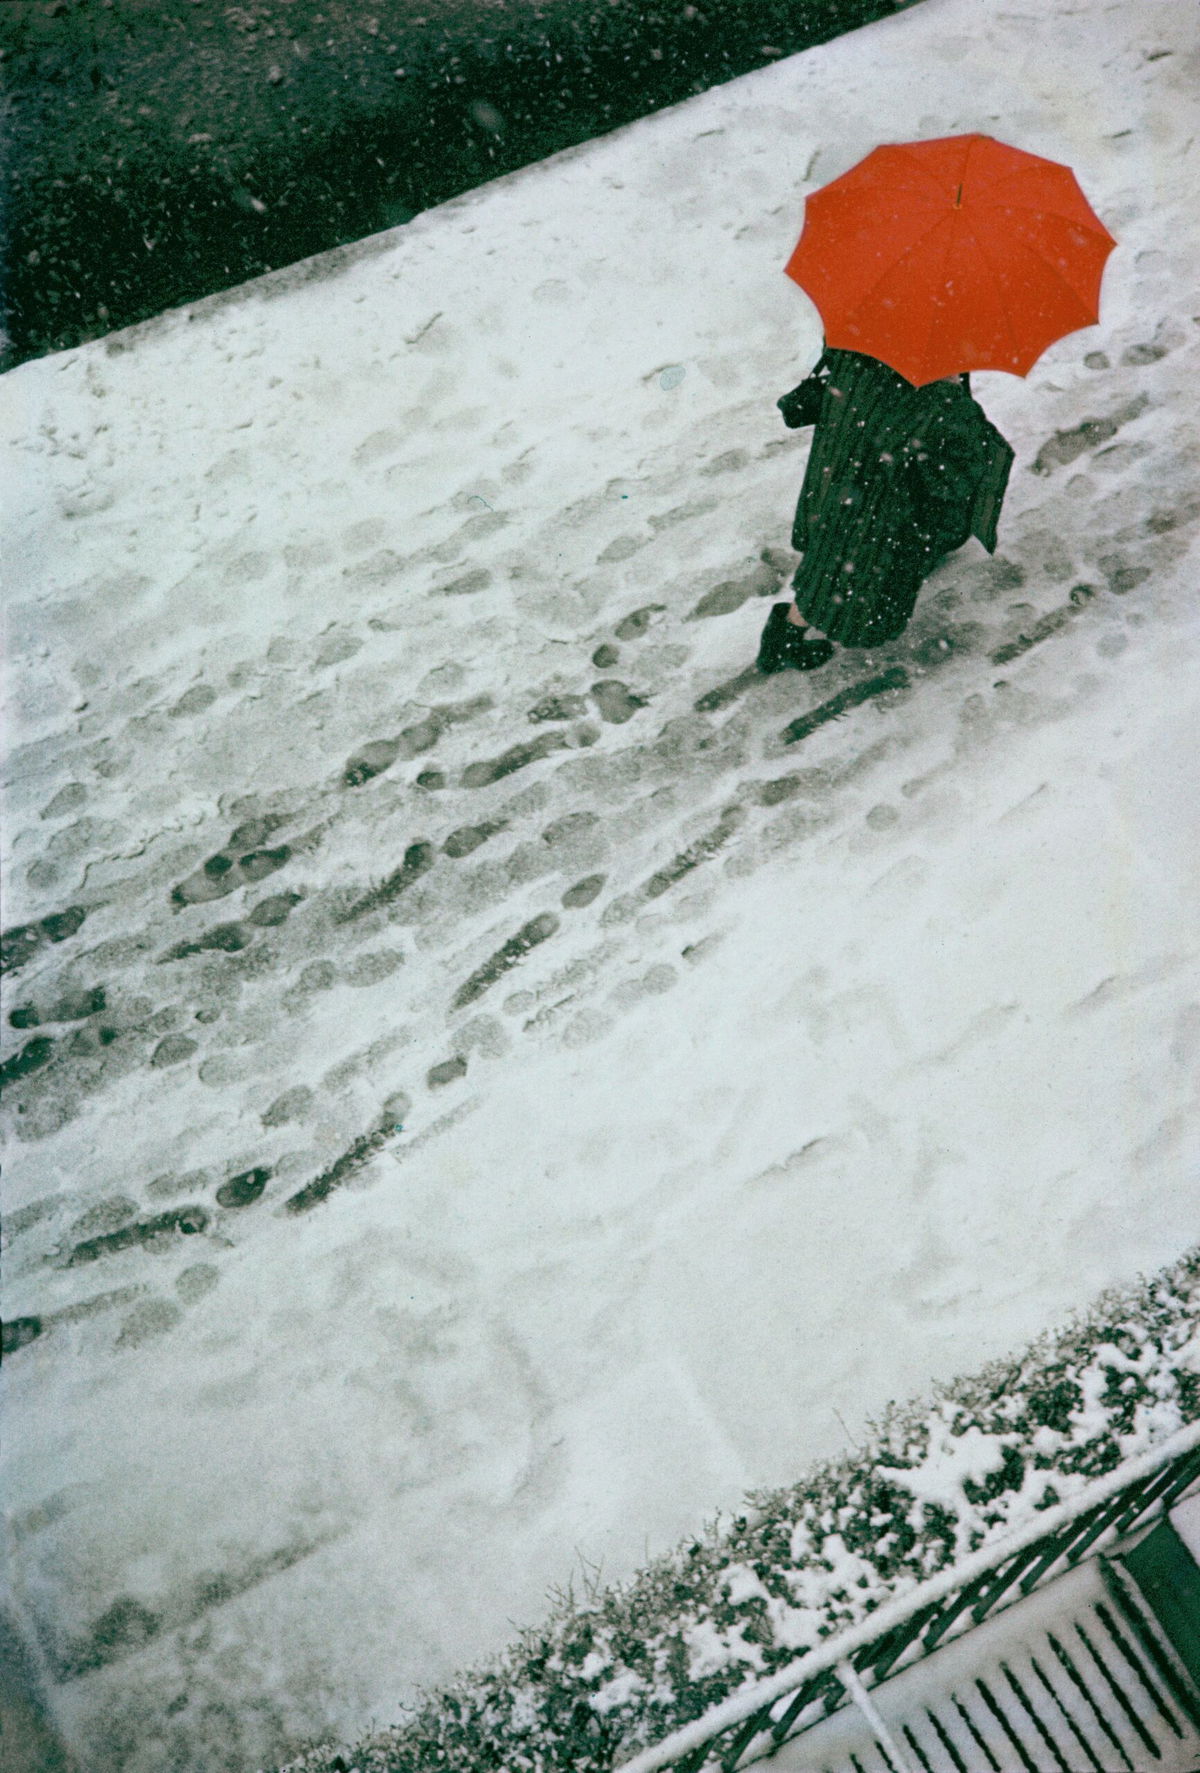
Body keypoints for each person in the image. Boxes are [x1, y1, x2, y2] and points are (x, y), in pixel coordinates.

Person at [757, 346, 1015, 673]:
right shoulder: (931, 396)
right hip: (881, 493)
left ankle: (789, 629)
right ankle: (785, 636)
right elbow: (950, 468)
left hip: (852, 455)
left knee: (838, 550)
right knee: (852, 566)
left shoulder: (868, 343)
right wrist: (948, 393)